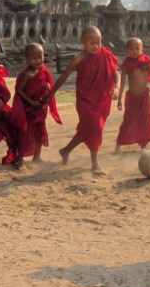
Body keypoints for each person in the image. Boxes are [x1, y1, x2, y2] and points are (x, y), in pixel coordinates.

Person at [43, 25, 120, 175]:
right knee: (95, 127)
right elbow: (64, 77)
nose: (96, 46)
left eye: (98, 42)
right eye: (91, 43)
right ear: (82, 41)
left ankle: (65, 151)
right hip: (85, 100)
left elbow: (115, 73)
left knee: (88, 129)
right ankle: (95, 164)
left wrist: (116, 87)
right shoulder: (78, 59)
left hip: (101, 98)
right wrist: (51, 94)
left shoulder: (105, 54)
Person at [9, 43, 62, 170]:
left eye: (40, 56)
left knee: (40, 133)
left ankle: (37, 157)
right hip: (29, 108)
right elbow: (20, 91)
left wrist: (47, 88)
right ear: (27, 58)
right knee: (25, 135)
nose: (38, 60)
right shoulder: (27, 74)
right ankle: (20, 160)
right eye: (34, 58)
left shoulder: (43, 70)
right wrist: (31, 102)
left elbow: (47, 84)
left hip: (40, 108)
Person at [115, 37, 150, 154]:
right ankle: (118, 144)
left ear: (142, 49)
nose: (134, 51)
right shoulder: (126, 64)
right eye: (131, 49)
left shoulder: (146, 62)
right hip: (132, 97)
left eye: (137, 48)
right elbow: (122, 82)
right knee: (128, 121)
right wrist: (119, 100)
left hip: (144, 97)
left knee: (146, 120)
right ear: (127, 51)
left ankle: (144, 146)